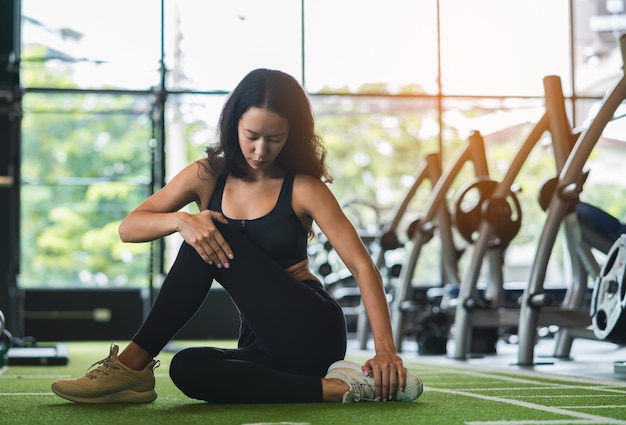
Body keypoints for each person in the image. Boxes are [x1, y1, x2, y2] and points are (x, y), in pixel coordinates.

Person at [51, 68, 423, 404]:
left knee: (208, 234)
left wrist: (386, 350)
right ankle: (340, 389)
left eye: (275, 138)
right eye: (252, 136)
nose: (261, 151)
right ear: (234, 126)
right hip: (260, 344)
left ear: (292, 135)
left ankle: (131, 363)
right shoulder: (207, 175)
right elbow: (129, 227)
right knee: (188, 367)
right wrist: (181, 220)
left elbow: (361, 265)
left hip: (311, 329)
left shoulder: (303, 188)